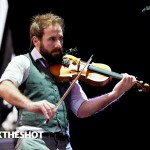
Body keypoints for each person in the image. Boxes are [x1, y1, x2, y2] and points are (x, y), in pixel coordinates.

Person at [0, 12, 136, 150]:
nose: (58, 45)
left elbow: (82, 109)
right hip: (33, 142)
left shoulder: (66, 69)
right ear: (36, 41)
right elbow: (4, 87)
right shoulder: (23, 62)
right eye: (52, 39)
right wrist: (31, 105)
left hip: (64, 144)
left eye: (60, 38)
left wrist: (114, 94)